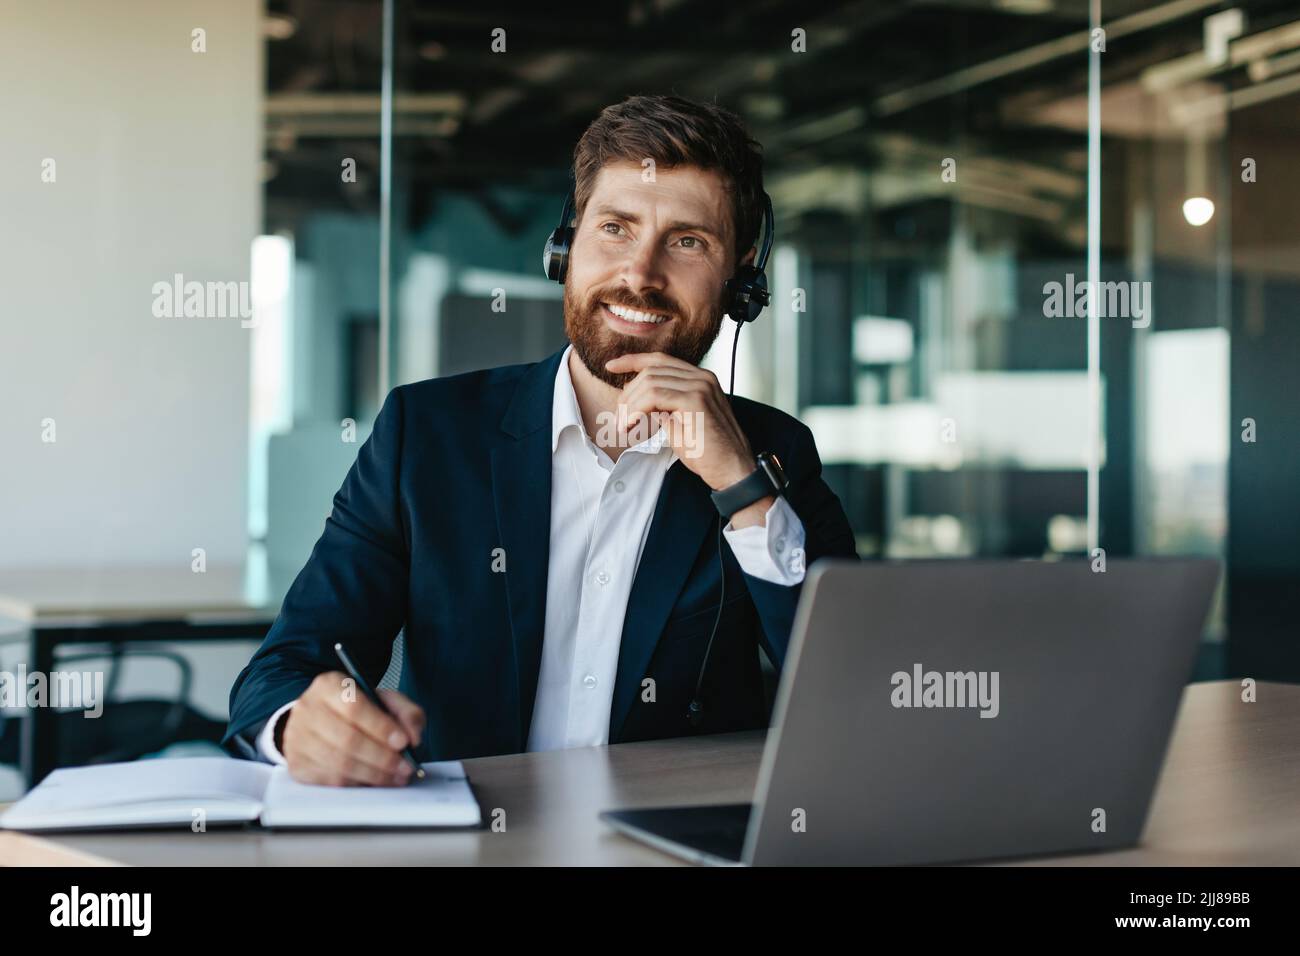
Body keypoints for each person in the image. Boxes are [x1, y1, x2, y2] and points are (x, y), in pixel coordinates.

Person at [223, 93, 857, 785]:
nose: (640, 274)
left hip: (667, 846)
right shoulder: (426, 436)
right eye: (615, 228)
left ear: (740, 281)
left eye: (687, 241)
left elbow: (854, 697)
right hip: (469, 847)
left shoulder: (774, 454)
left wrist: (744, 490)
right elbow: (284, 669)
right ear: (566, 246)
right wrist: (299, 728)